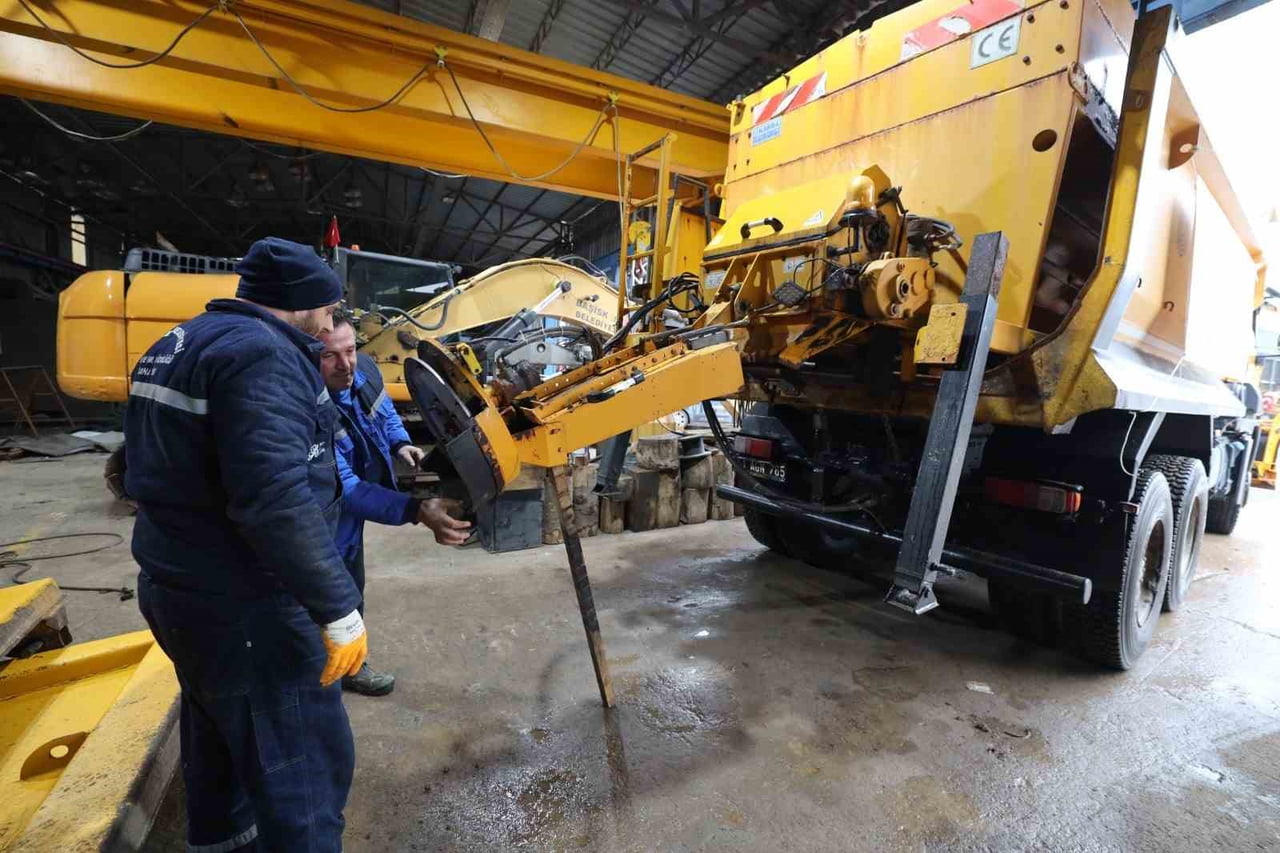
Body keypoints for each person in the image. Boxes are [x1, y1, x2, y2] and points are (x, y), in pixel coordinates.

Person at [126, 237, 366, 853]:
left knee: (220, 744)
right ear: (301, 301)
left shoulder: (179, 341)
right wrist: (338, 608)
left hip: (177, 586)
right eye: (327, 308)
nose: (329, 323)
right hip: (247, 606)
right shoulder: (263, 356)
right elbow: (274, 497)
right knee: (302, 767)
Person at [317, 310, 471, 696]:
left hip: (351, 520)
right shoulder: (308, 409)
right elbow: (347, 489)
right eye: (329, 355)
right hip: (321, 521)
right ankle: (316, 683)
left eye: (349, 350)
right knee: (322, 599)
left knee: (352, 591)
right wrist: (416, 510)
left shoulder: (366, 371)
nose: (345, 364)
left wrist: (401, 443)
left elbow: (385, 415)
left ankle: (351, 668)